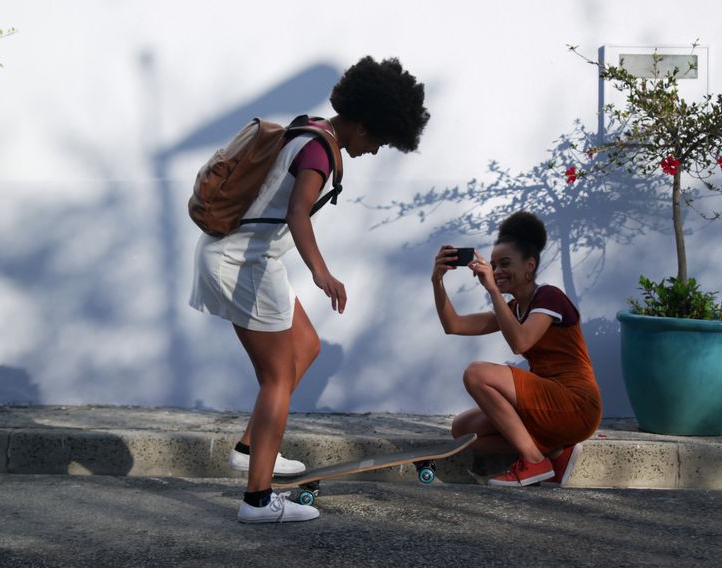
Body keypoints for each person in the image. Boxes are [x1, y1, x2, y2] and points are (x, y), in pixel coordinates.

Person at [190, 56, 429, 523]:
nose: (377, 149)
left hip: (255, 259)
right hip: (242, 262)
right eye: (378, 139)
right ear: (361, 123)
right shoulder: (319, 150)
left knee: (307, 346)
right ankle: (256, 500)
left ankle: (250, 447)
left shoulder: (313, 130)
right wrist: (322, 272)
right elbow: (298, 213)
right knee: (277, 377)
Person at [432, 211, 602, 487]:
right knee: (463, 430)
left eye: (505, 264)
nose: (497, 272)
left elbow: (520, 342)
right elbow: (454, 324)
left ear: (529, 267)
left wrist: (493, 292)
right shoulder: (512, 309)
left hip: (576, 404)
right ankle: (555, 451)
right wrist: (437, 281)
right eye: (494, 265)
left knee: (476, 374)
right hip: (547, 404)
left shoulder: (549, 297)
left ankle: (534, 461)